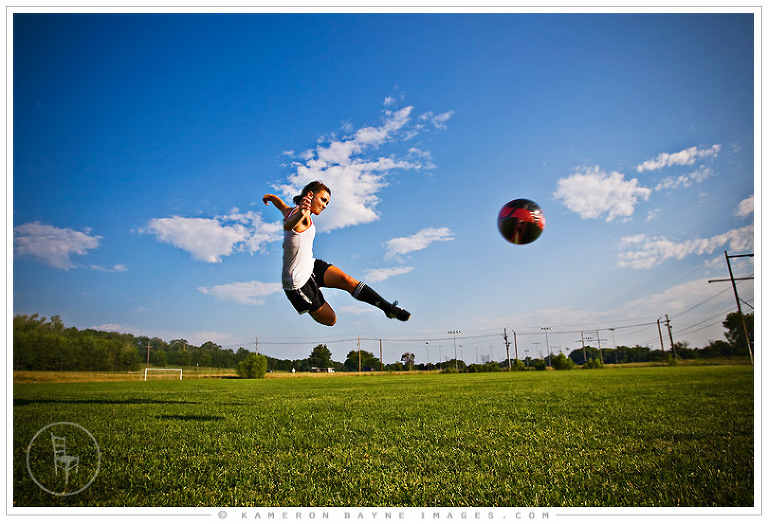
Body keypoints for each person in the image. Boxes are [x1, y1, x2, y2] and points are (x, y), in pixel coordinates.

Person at [263, 180, 411, 326]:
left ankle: (388, 309)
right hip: (298, 282)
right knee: (331, 320)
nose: (325, 205)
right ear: (310, 194)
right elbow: (289, 226)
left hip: (310, 265)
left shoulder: (290, 211)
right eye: (323, 200)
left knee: (347, 280)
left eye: (327, 203)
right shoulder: (302, 215)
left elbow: (281, 205)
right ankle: (311, 304)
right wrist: (301, 213)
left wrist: (271, 198)